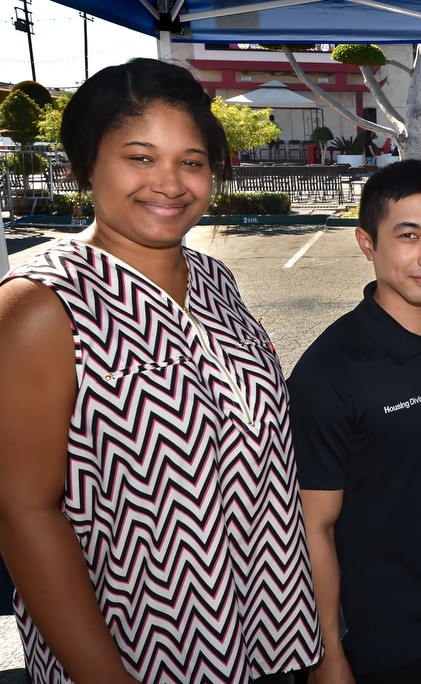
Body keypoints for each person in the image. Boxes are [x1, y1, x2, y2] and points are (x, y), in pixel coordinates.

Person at [0, 58, 323, 683]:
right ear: (86, 165)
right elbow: (22, 513)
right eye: (140, 157)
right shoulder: (41, 303)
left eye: (192, 161)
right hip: (141, 651)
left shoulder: (215, 281)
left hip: (267, 638)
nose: (170, 183)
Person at [290, 160, 421, 683]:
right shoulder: (331, 370)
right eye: (408, 236)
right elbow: (312, 527)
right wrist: (329, 653)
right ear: (368, 243)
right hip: (393, 639)